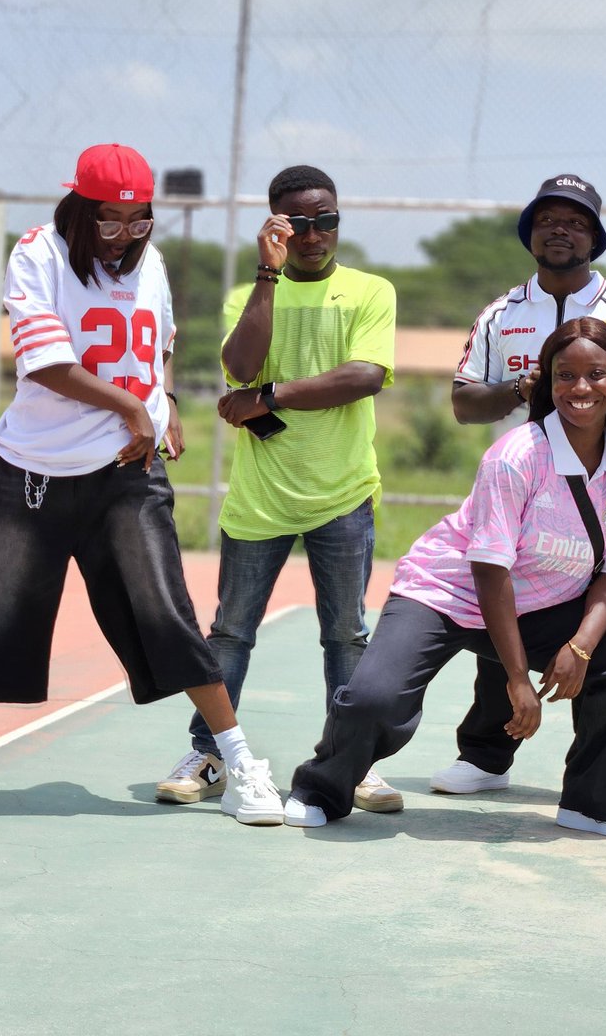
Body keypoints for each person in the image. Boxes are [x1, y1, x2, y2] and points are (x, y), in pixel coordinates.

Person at [0, 143, 282, 826]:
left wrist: (165, 399)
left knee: (166, 611)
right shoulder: (38, 254)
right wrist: (128, 407)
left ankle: (241, 768)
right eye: (109, 220)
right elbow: (46, 363)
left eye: (137, 219)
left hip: (128, 474)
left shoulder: (153, 262)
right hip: (35, 469)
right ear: (79, 209)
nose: (123, 234)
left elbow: (158, 343)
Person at [285, 317, 606, 841]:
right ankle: (320, 788)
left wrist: (578, 646)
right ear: (548, 383)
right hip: (447, 594)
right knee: (374, 700)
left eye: (595, 374)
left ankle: (598, 805)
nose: (580, 388)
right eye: (565, 375)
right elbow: (489, 574)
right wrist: (516, 679)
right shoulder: (517, 456)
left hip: (540, 606)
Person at [156, 164, 402, 815]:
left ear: (338, 221)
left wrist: (267, 397)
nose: (315, 234)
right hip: (259, 503)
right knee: (230, 632)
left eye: (327, 220)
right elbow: (238, 364)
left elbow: (365, 375)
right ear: (276, 226)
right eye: (299, 223)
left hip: (342, 495)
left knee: (346, 635)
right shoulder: (247, 295)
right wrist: (268, 274)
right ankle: (210, 754)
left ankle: (354, 762)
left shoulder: (371, 290)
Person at [434, 172, 606, 796]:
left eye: (574, 221)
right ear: (529, 235)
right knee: (502, 624)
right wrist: (528, 390)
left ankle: (596, 782)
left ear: (594, 235)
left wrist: (593, 403)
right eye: (546, 221)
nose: (559, 230)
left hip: (599, 498)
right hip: (521, 495)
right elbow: (464, 403)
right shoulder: (503, 313)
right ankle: (486, 759)